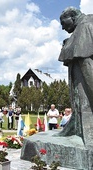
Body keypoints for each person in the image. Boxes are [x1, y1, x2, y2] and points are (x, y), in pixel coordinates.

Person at [58, 7, 93, 145]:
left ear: (72, 17)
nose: (62, 27)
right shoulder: (85, 25)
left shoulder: (84, 27)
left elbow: (87, 65)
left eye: (63, 23)